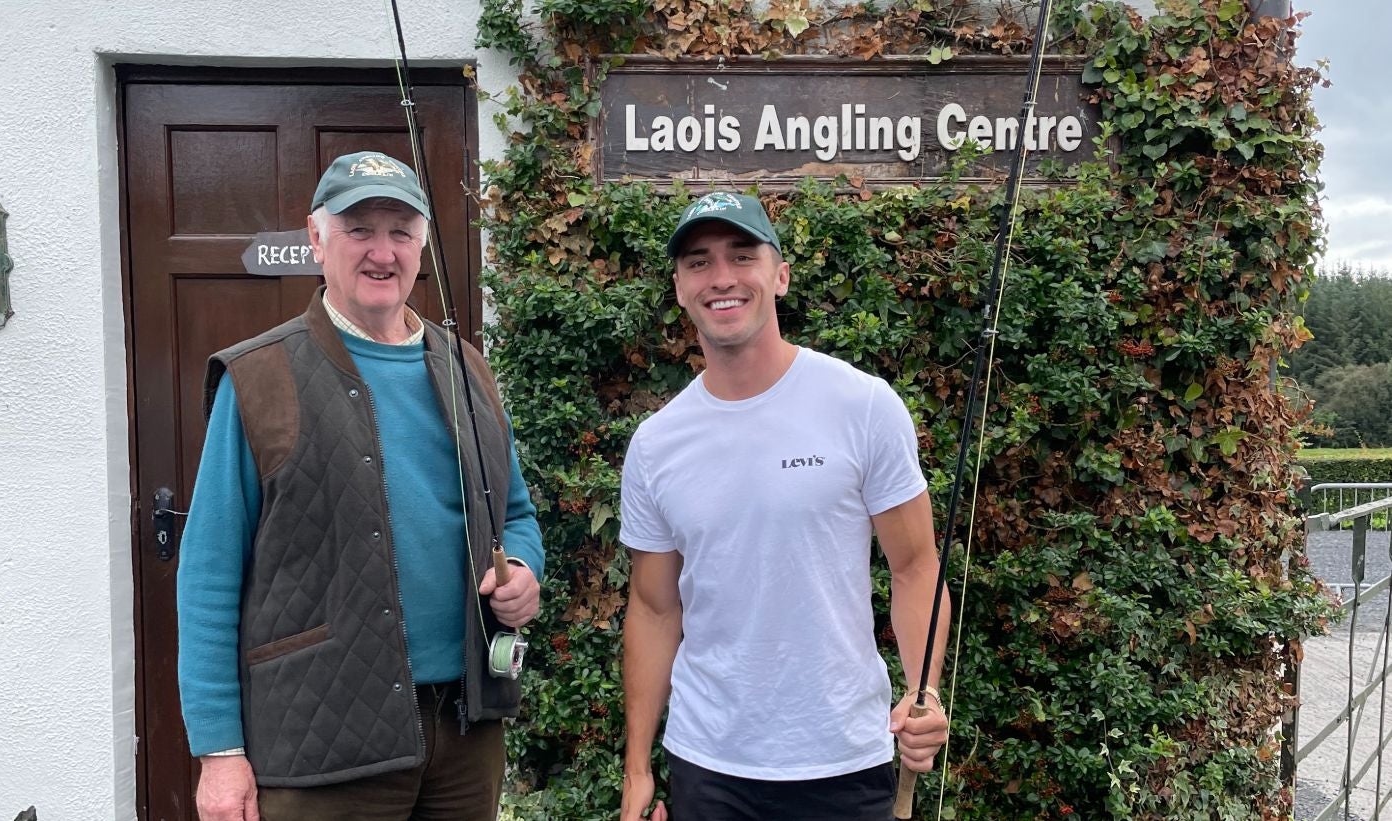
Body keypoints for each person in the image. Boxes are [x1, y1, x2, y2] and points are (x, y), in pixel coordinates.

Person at [176, 150, 543, 821]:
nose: (382, 252)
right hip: (321, 742)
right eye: (359, 230)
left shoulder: (466, 369)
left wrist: (521, 568)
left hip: (464, 732)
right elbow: (209, 573)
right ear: (317, 240)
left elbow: (513, 513)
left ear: (421, 246)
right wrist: (219, 751)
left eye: (401, 231)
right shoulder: (258, 377)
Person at [619, 192, 950, 820]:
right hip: (708, 764)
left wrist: (924, 690)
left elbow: (915, 566)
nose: (721, 277)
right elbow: (655, 607)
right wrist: (637, 768)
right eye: (698, 262)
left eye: (743, 255)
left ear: (781, 276)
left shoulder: (863, 406)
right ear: (680, 288)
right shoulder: (656, 444)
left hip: (845, 759)